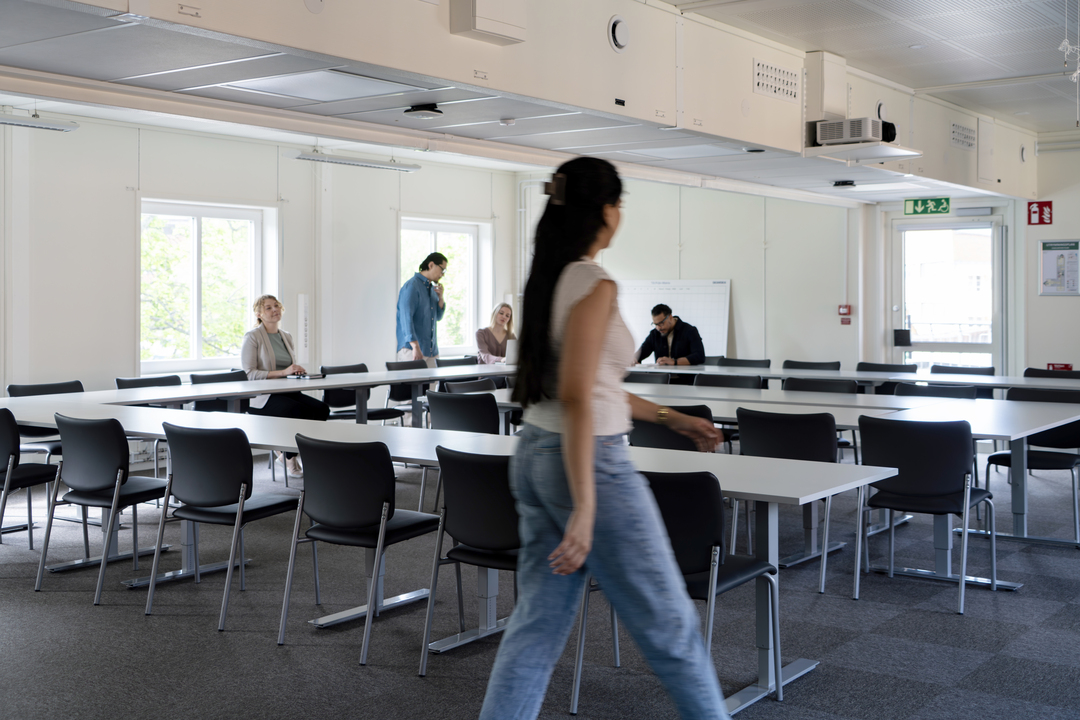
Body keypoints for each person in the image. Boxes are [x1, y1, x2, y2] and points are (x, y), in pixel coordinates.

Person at [479, 158, 729, 720]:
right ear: (606, 211)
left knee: (536, 629)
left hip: (536, 455)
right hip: (589, 465)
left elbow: (594, 386)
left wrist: (670, 417)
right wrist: (587, 504)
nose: (621, 214)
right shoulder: (595, 283)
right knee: (672, 627)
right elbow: (577, 396)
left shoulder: (552, 279)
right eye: (620, 204)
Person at [241, 294, 330, 478]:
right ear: (259, 313)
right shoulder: (252, 337)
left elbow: (287, 368)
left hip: (287, 391)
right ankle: (289, 457)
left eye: (276, 306)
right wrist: (283, 372)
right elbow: (250, 374)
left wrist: (296, 372)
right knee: (297, 411)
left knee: (321, 409)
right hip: (263, 396)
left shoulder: (286, 336)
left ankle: (291, 453)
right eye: (268, 308)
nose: (274, 310)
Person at [396, 252, 447, 367]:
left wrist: (441, 298)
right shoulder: (411, 286)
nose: (442, 274)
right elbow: (406, 319)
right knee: (412, 385)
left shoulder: (432, 289)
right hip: (412, 350)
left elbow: (438, 317)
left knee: (433, 385)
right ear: (431, 265)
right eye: (442, 270)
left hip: (431, 351)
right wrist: (415, 346)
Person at [636, 304, 706, 367]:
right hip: (661, 378)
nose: (658, 328)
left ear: (670, 317)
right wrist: (633, 359)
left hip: (684, 378)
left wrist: (675, 362)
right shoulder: (654, 334)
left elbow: (699, 356)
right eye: (655, 324)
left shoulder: (689, 331)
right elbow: (641, 353)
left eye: (661, 323)